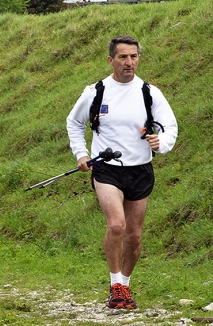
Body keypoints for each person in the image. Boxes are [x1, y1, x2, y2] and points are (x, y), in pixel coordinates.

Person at [66, 35, 178, 309]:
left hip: (140, 170)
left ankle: (125, 286)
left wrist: (160, 142)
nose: (129, 62)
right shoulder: (96, 91)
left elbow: (170, 127)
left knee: (134, 236)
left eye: (134, 56)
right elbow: (74, 122)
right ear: (111, 60)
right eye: (123, 57)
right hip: (106, 169)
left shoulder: (149, 93)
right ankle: (115, 285)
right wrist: (81, 154)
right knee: (116, 225)